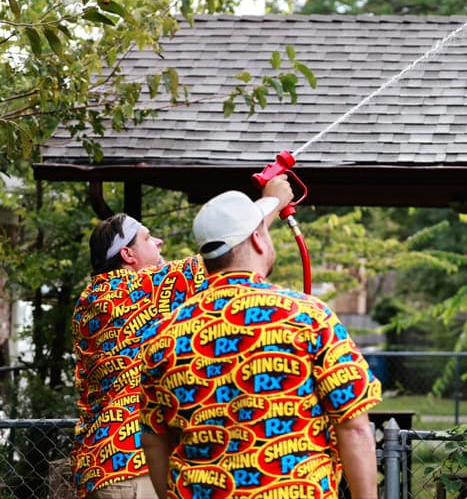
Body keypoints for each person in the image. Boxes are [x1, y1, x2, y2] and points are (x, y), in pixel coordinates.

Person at [139, 190, 381, 499]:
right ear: (257, 239)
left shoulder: (161, 335)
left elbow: (154, 441)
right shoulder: (308, 317)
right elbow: (354, 428)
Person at [71, 177, 293, 499]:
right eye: (148, 238)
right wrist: (272, 200)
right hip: (134, 468)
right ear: (128, 256)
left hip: (98, 465)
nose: (159, 242)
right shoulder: (134, 289)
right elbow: (230, 250)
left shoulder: (90, 300)